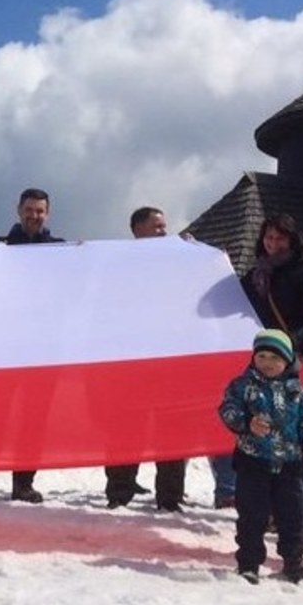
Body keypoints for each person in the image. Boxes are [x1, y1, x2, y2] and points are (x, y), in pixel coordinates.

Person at [0, 188, 63, 505]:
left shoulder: (63, 252)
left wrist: (84, 255)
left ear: (48, 213)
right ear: (18, 211)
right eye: (29, 209)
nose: (34, 215)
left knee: (34, 420)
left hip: (41, 353)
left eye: (40, 210)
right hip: (0, 353)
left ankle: (24, 484)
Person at [240, 214, 303, 539]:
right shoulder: (255, 275)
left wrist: (288, 345)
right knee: (268, 441)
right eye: (269, 237)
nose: (273, 243)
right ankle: (278, 514)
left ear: (292, 240)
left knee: (296, 443)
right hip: (263, 367)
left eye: (280, 238)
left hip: (294, 366)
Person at [218, 329, 303, 585]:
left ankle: (294, 564)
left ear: (287, 360)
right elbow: (227, 410)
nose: (267, 363)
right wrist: (246, 423)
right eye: (261, 356)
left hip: (289, 464)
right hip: (253, 462)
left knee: (292, 517)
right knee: (252, 515)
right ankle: (249, 564)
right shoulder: (243, 386)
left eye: (274, 358)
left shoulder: (299, 392)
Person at [105, 206, 188, 511]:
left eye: (165, 226)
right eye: (157, 227)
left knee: (173, 428)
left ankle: (169, 497)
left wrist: (193, 255)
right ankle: (119, 492)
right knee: (125, 427)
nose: (164, 232)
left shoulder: (178, 262)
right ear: (137, 229)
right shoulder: (116, 264)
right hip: (131, 362)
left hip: (169, 361)